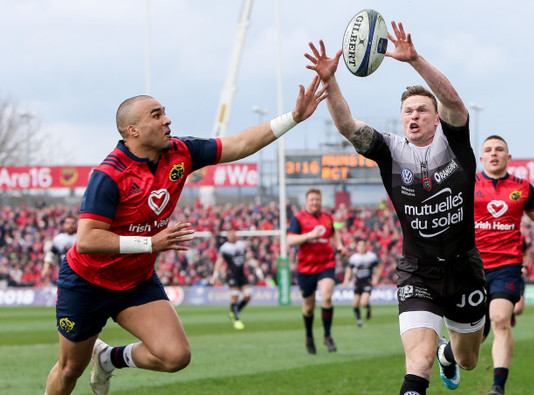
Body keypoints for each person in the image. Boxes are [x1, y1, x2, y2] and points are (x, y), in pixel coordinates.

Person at [45, 75, 327, 395]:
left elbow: (238, 144)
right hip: (88, 283)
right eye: (156, 115)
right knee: (69, 369)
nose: (167, 120)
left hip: (135, 281)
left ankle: (109, 358)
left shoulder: (180, 152)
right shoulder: (109, 175)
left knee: (175, 356)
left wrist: (293, 117)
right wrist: (150, 243)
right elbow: (87, 239)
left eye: (164, 112)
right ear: (132, 130)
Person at [305, 21, 487, 395]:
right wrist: (330, 80)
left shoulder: (456, 143)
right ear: (402, 118)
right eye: (408, 111)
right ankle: (430, 362)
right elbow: (347, 125)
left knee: (468, 359)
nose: (414, 116)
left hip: (464, 268)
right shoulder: (389, 150)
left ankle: (448, 356)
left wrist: (415, 60)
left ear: (436, 119)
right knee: (417, 361)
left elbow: (454, 101)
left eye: (422, 110)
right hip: (417, 272)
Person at [474, 135, 534, 395]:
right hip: (471, 267)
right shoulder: (467, 185)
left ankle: (498, 386)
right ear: (481, 158)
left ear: (508, 157)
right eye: (488, 150)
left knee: (500, 319)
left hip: (507, 265)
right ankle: (448, 356)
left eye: (499, 149)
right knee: (472, 340)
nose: (494, 153)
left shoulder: (523, 187)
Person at [287, 188, 346, 354]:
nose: (315, 202)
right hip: (305, 268)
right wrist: (309, 236)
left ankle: (327, 336)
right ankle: (309, 336)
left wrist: (340, 246)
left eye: (317, 199)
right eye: (312, 200)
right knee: (309, 307)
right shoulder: (298, 219)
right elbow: (291, 240)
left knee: (327, 296)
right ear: (307, 201)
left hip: (326, 264)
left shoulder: (327, 218)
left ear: (321, 201)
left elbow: (333, 234)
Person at [211, 228, 264, 330]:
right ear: (227, 236)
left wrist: (257, 269)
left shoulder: (241, 245)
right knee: (234, 298)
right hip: (231, 275)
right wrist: (215, 274)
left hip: (241, 274)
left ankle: (233, 312)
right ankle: (236, 320)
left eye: (234, 234)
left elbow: (248, 257)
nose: (232, 236)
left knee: (248, 296)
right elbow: (220, 261)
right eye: (231, 234)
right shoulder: (225, 248)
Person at [342, 239, 381, 327]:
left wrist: (376, 279)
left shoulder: (371, 257)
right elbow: (349, 269)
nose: (361, 247)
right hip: (357, 282)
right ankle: (359, 321)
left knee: (363, 302)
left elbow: (379, 267)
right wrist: (346, 280)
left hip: (367, 282)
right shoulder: (354, 258)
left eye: (363, 245)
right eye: (359, 246)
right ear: (357, 247)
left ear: (366, 246)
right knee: (355, 303)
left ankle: (368, 308)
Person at [41, 215, 78, 285]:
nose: (70, 225)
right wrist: (46, 268)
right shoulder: (58, 239)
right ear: (63, 225)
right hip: (63, 273)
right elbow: (51, 254)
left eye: (72, 223)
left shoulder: (79, 238)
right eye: (68, 223)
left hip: (78, 273)